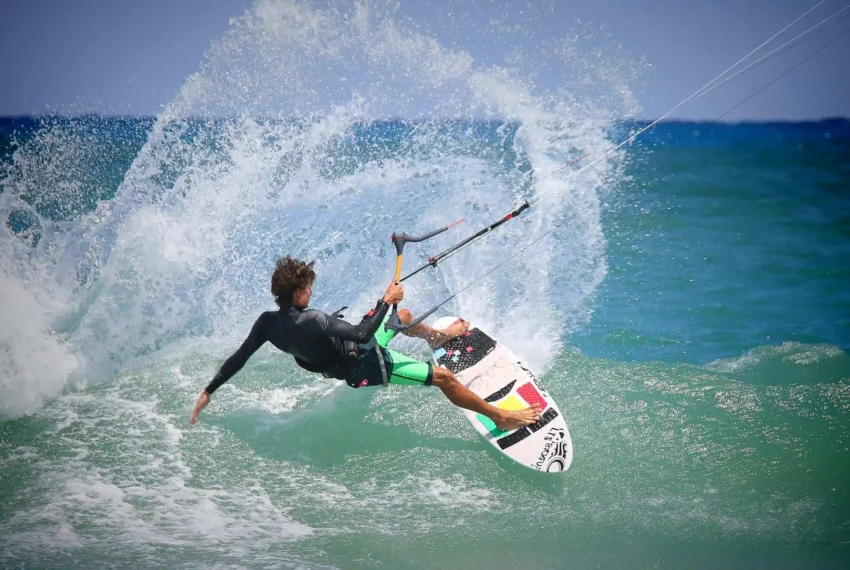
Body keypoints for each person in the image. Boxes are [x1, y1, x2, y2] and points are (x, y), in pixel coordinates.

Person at [191, 256, 542, 430]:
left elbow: (238, 359)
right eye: (308, 287)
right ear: (298, 292)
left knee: (403, 318)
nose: (312, 291)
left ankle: (438, 335)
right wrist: (386, 299)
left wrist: (210, 389)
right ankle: (501, 417)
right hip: (365, 364)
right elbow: (362, 334)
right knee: (444, 378)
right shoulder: (313, 318)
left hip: (353, 353)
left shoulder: (267, 322)